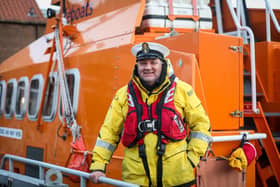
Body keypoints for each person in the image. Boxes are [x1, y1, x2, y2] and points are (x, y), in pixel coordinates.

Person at [89, 42, 211, 187]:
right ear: (137, 66)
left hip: (177, 178)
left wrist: (192, 158)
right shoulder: (122, 95)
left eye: (153, 62)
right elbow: (109, 132)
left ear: (163, 64)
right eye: (143, 63)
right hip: (135, 180)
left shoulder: (183, 90)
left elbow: (202, 126)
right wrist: (98, 166)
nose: (148, 67)